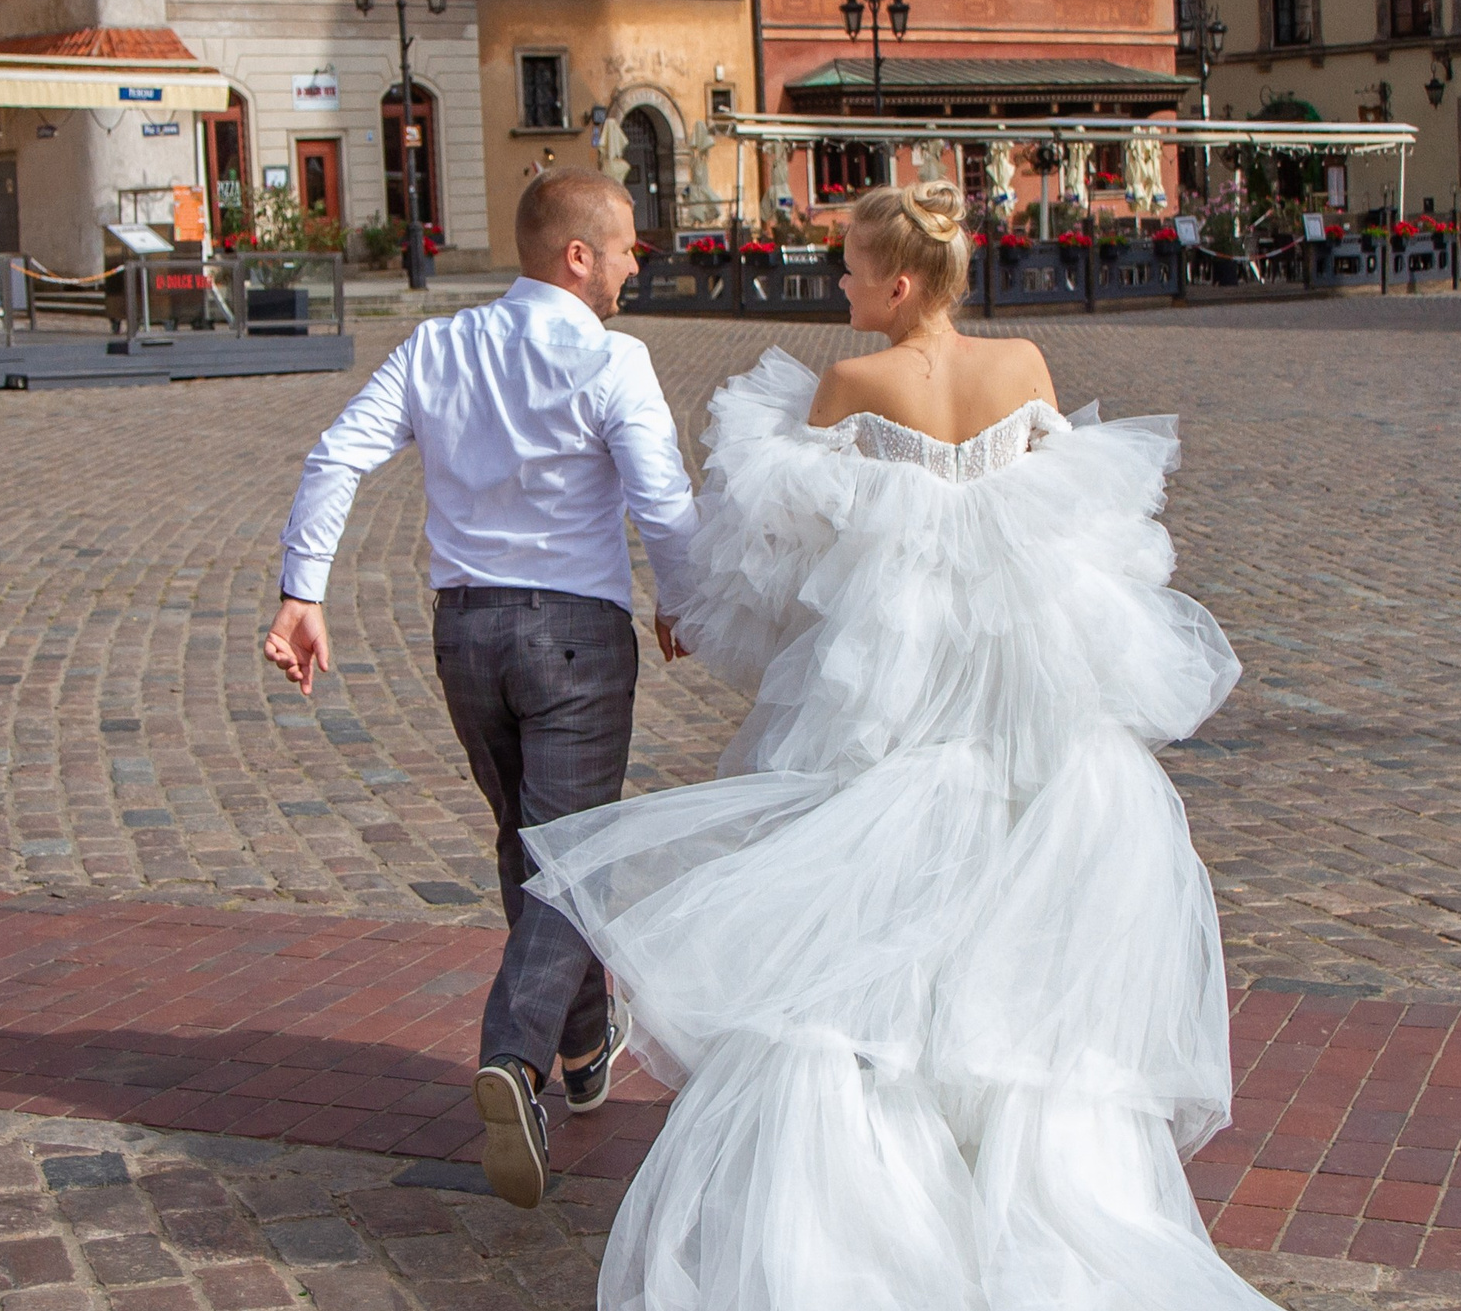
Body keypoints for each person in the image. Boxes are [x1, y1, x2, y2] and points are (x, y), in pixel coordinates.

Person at [520, 181, 1269, 1308]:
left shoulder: (852, 386)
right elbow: (1078, 530)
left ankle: (864, 1211)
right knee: (1017, 938)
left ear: (900, 283)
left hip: (889, 701)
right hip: (1020, 696)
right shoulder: (1023, 367)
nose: (840, 286)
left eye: (853, 270)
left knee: (859, 939)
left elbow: (782, 559)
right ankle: (1022, 1188)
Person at [264, 167, 698, 1210]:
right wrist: (685, 603)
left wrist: (301, 592)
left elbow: (336, 457)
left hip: (465, 637)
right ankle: (515, 1057)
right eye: (627, 249)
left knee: (528, 842)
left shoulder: (435, 347)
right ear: (578, 257)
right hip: (574, 641)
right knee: (570, 857)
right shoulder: (613, 360)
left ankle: (583, 1047)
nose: (636, 266)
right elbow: (663, 503)